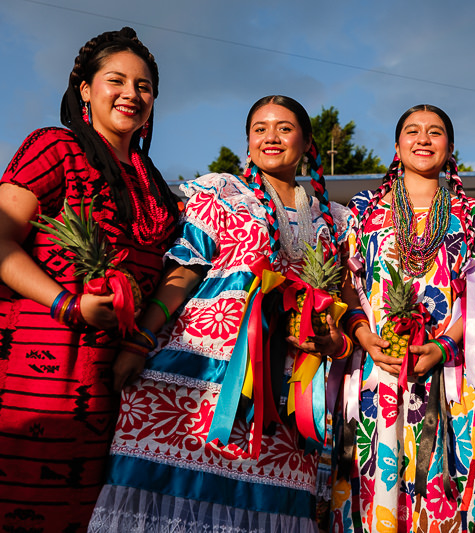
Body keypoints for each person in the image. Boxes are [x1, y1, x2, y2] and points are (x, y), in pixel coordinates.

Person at [88, 95, 355, 532]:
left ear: (307, 142)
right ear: (247, 142)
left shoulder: (336, 222)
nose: (271, 137)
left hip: (284, 395)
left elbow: (343, 305)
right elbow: (184, 270)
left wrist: (333, 342)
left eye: (284, 128)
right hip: (196, 375)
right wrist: (141, 338)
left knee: (269, 507)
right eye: (260, 128)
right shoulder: (223, 193)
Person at [0, 27, 180, 531]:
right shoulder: (53, 148)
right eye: (116, 80)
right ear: (84, 88)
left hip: (121, 385)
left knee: (102, 517)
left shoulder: (151, 178)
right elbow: (1, 241)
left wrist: (139, 342)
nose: (131, 94)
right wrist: (68, 304)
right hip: (43, 374)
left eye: (144, 86)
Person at [331, 105, 475, 532]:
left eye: (435, 132)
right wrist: (365, 337)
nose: (423, 139)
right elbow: (348, 287)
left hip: (448, 372)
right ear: (397, 146)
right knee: (373, 490)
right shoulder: (365, 209)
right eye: (412, 131)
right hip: (376, 368)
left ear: (450, 147)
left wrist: (443, 345)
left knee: (442, 490)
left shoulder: (471, 213)